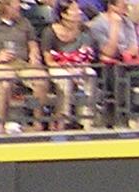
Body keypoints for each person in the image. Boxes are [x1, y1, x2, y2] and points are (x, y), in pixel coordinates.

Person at [0, 0, 52, 134]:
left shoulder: (24, 23)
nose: (19, 7)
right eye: (15, 5)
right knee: (5, 83)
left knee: (41, 80)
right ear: (5, 7)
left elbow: (33, 44)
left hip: (22, 64)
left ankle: (38, 123)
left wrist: (34, 55)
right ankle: (1, 124)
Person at [41, 0, 99, 129]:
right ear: (64, 14)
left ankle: (86, 120)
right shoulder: (50, 32)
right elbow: (48, 60)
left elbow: (87, 54)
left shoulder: (85, 30)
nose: (79, 12)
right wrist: (65, 67)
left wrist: (79, 67)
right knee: (64, 79)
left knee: (90, 74)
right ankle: (63, 119)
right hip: (57, 66)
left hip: (78, 65)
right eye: (74, 10)